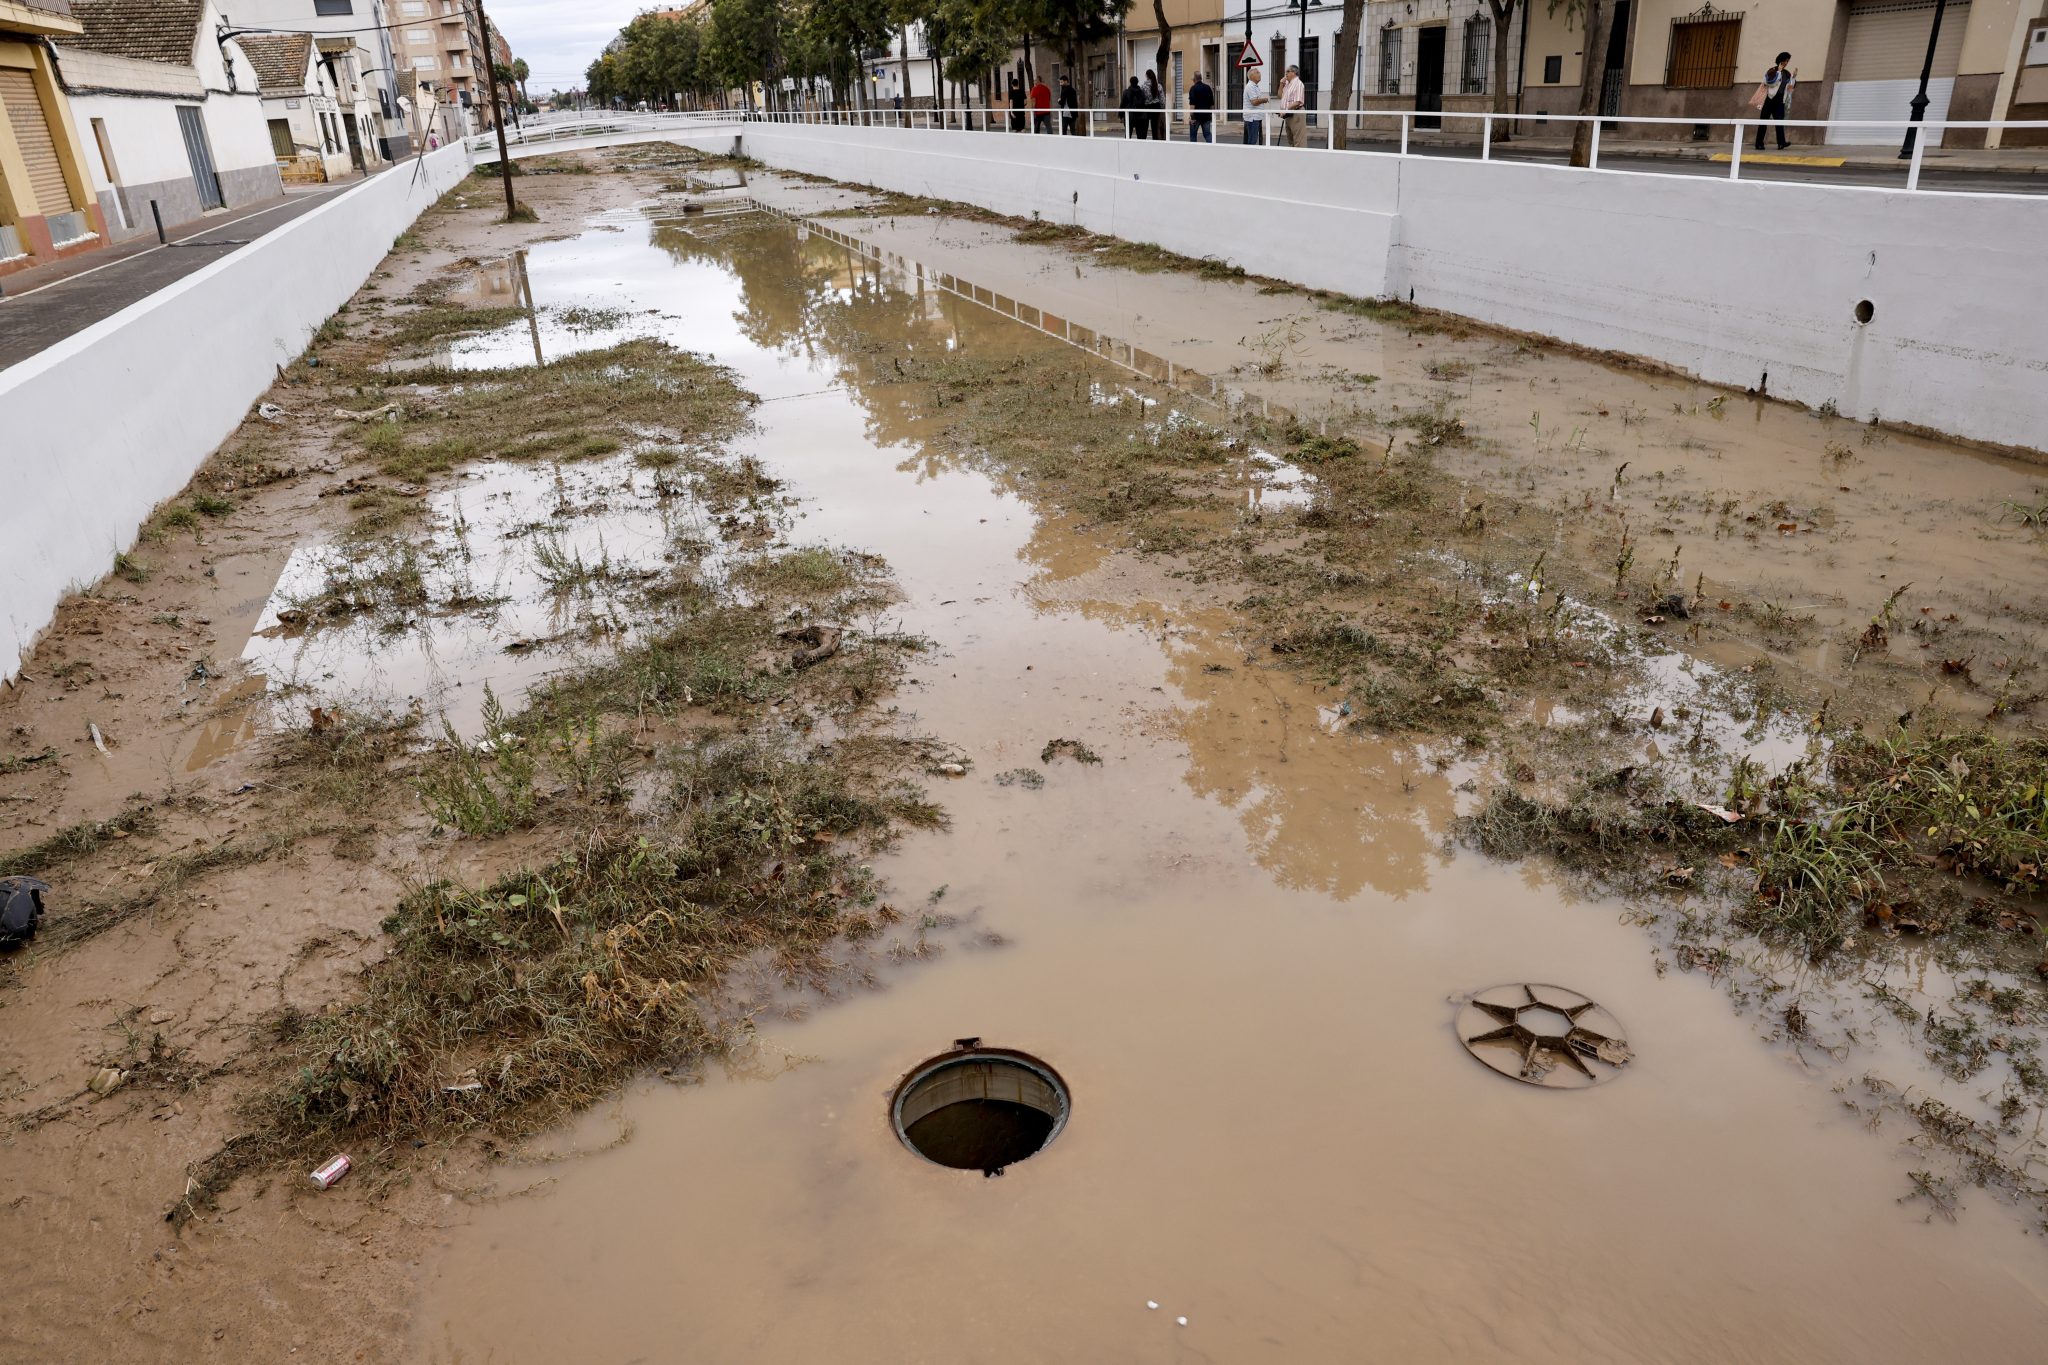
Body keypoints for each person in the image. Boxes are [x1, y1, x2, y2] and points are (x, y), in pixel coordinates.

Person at [1750, 52, 1796, 151]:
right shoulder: (1772, 71)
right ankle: (1759, 143)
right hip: (1769, 99)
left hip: (1780, 100)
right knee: (1763, 121)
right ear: (1781, 60)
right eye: (1785, 60)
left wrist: (1793, 78)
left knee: (1779, 122)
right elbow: (1770, 83)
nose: (1786, 63)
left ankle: (1781, 143)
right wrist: (1778, 72)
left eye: (1788, 61)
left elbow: (1790, 89)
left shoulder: (1787, 73)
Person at [1277, 63, 1306, 148]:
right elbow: (1280, 96)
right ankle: (1293, 155)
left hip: (1296, 113)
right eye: (1285, 72)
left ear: (1294, 73)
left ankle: (1300, 156)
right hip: (1288, 114)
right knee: (1291, 140)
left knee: (1299, 140)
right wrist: (1281, 84)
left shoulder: (1298, 84)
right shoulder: (1287, 84)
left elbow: (1298, 101)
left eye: (1288, 71)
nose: (1285, 73)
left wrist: (1285, 110)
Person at [1241, 64, 1267, 145]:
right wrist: (1264, 100)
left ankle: (1250, 152)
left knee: (1252, 139)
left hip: (1255, 117)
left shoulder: (1254, 86)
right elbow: (1254, 102)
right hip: (1252, 117)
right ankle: (1250, 152)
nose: (1260, 74)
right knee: (1252, 140)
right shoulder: (1250, 86)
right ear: (1252, 76)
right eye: (1257, 72)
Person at [1187, 70, 1214, 143]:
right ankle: (1212, 147)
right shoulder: (1208, 88)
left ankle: (1193, 149)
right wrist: (1211, 115)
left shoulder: (1193, 88)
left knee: (1193, 136)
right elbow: (1212, 104)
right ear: (1201, 78)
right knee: (1207, 134)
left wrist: (1191, 117)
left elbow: (1192, 105)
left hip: (1196, 117)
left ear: (1194, 79)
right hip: (1206, 116)